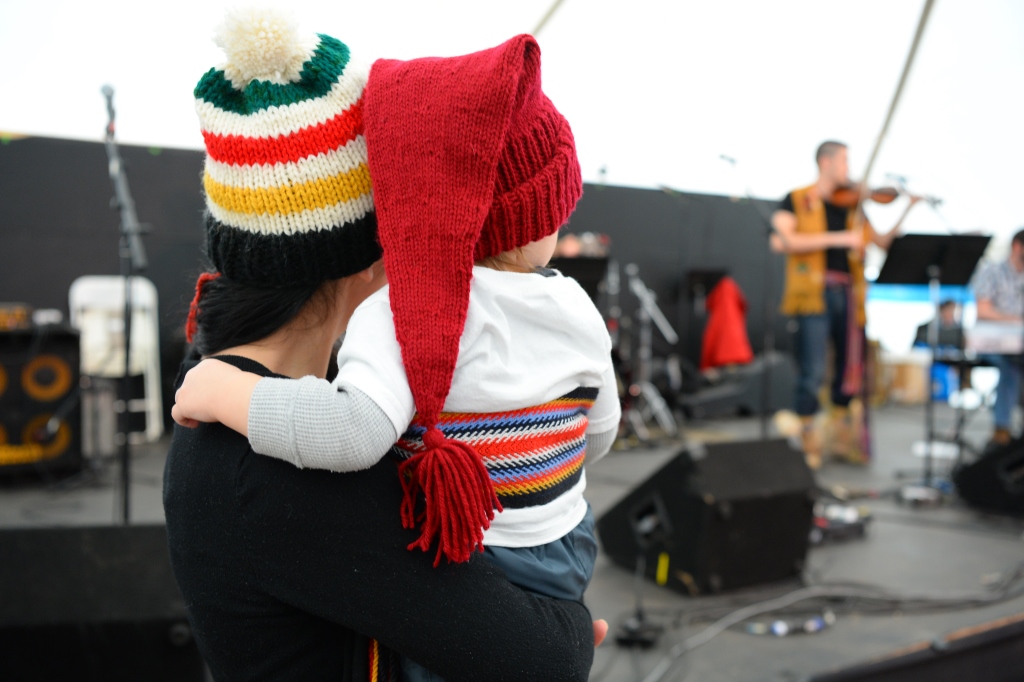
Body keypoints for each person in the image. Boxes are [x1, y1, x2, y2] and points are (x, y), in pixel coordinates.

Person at [164, 11, 601, 681]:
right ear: (371, 255)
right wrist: (572, 624)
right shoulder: (279, 464)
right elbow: (545, 656)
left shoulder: (230, 401)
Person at [771, 141, 919, 467]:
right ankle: (806, 439)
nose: (849, 170)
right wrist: (839, 239)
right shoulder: (798, 198)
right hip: (813, 291)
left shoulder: (853, 206)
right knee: (812, 369)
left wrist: (907, 208)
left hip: (849, 293)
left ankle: (840, 437)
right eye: (843, 161)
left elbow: (881, 242)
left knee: (848, 371)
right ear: (826, 162)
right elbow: (781, 240)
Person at [972, 229, 1024, 447]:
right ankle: (1001, 429)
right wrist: (1016, 320)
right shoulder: (992, 271)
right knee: (1012, 365)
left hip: (1019, 344)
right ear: (1016, 246)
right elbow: (983, 310)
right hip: (991, 341)